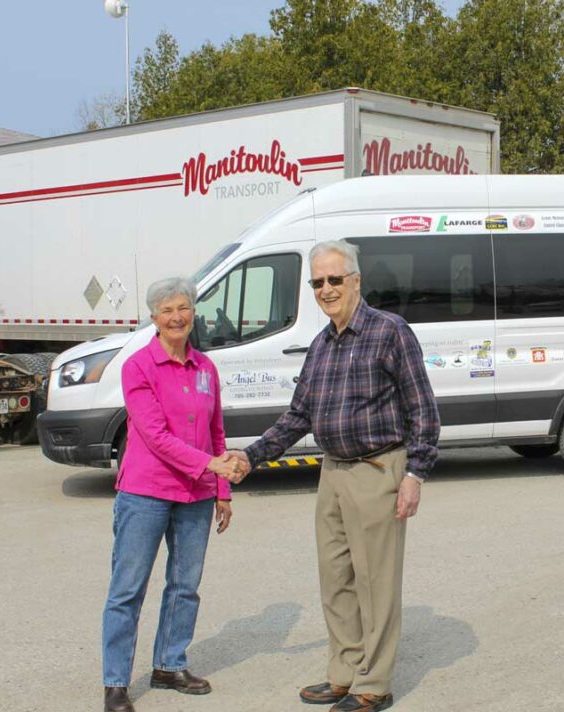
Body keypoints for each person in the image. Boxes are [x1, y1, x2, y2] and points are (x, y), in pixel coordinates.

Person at [226, 240, 440, 712]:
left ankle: (374, 683)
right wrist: (251, 456)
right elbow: (298, 415)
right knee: (336, 580)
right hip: (332, 474)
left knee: (375, 582)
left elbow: (422, 409)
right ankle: (343, 672)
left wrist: (415, 475)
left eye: (334, 280)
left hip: (378, 469)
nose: (326, 289)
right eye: (318, 282)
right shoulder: (322, 344)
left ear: (356, 282)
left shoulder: (390, 332)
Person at [101, 276, 249, 712]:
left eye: (183, 307)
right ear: (153, 318)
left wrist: (222, 490)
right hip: (145, 493)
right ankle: (115, 682)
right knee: (128, 589)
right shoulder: (138, 368)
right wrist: (211, 466)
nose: (176, 316)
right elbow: (155, 435)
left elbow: (215, 430)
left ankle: (169, 663)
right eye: (167, 310)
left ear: (194, 312)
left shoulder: (206, 369)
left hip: (198, 495)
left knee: (185, 586)